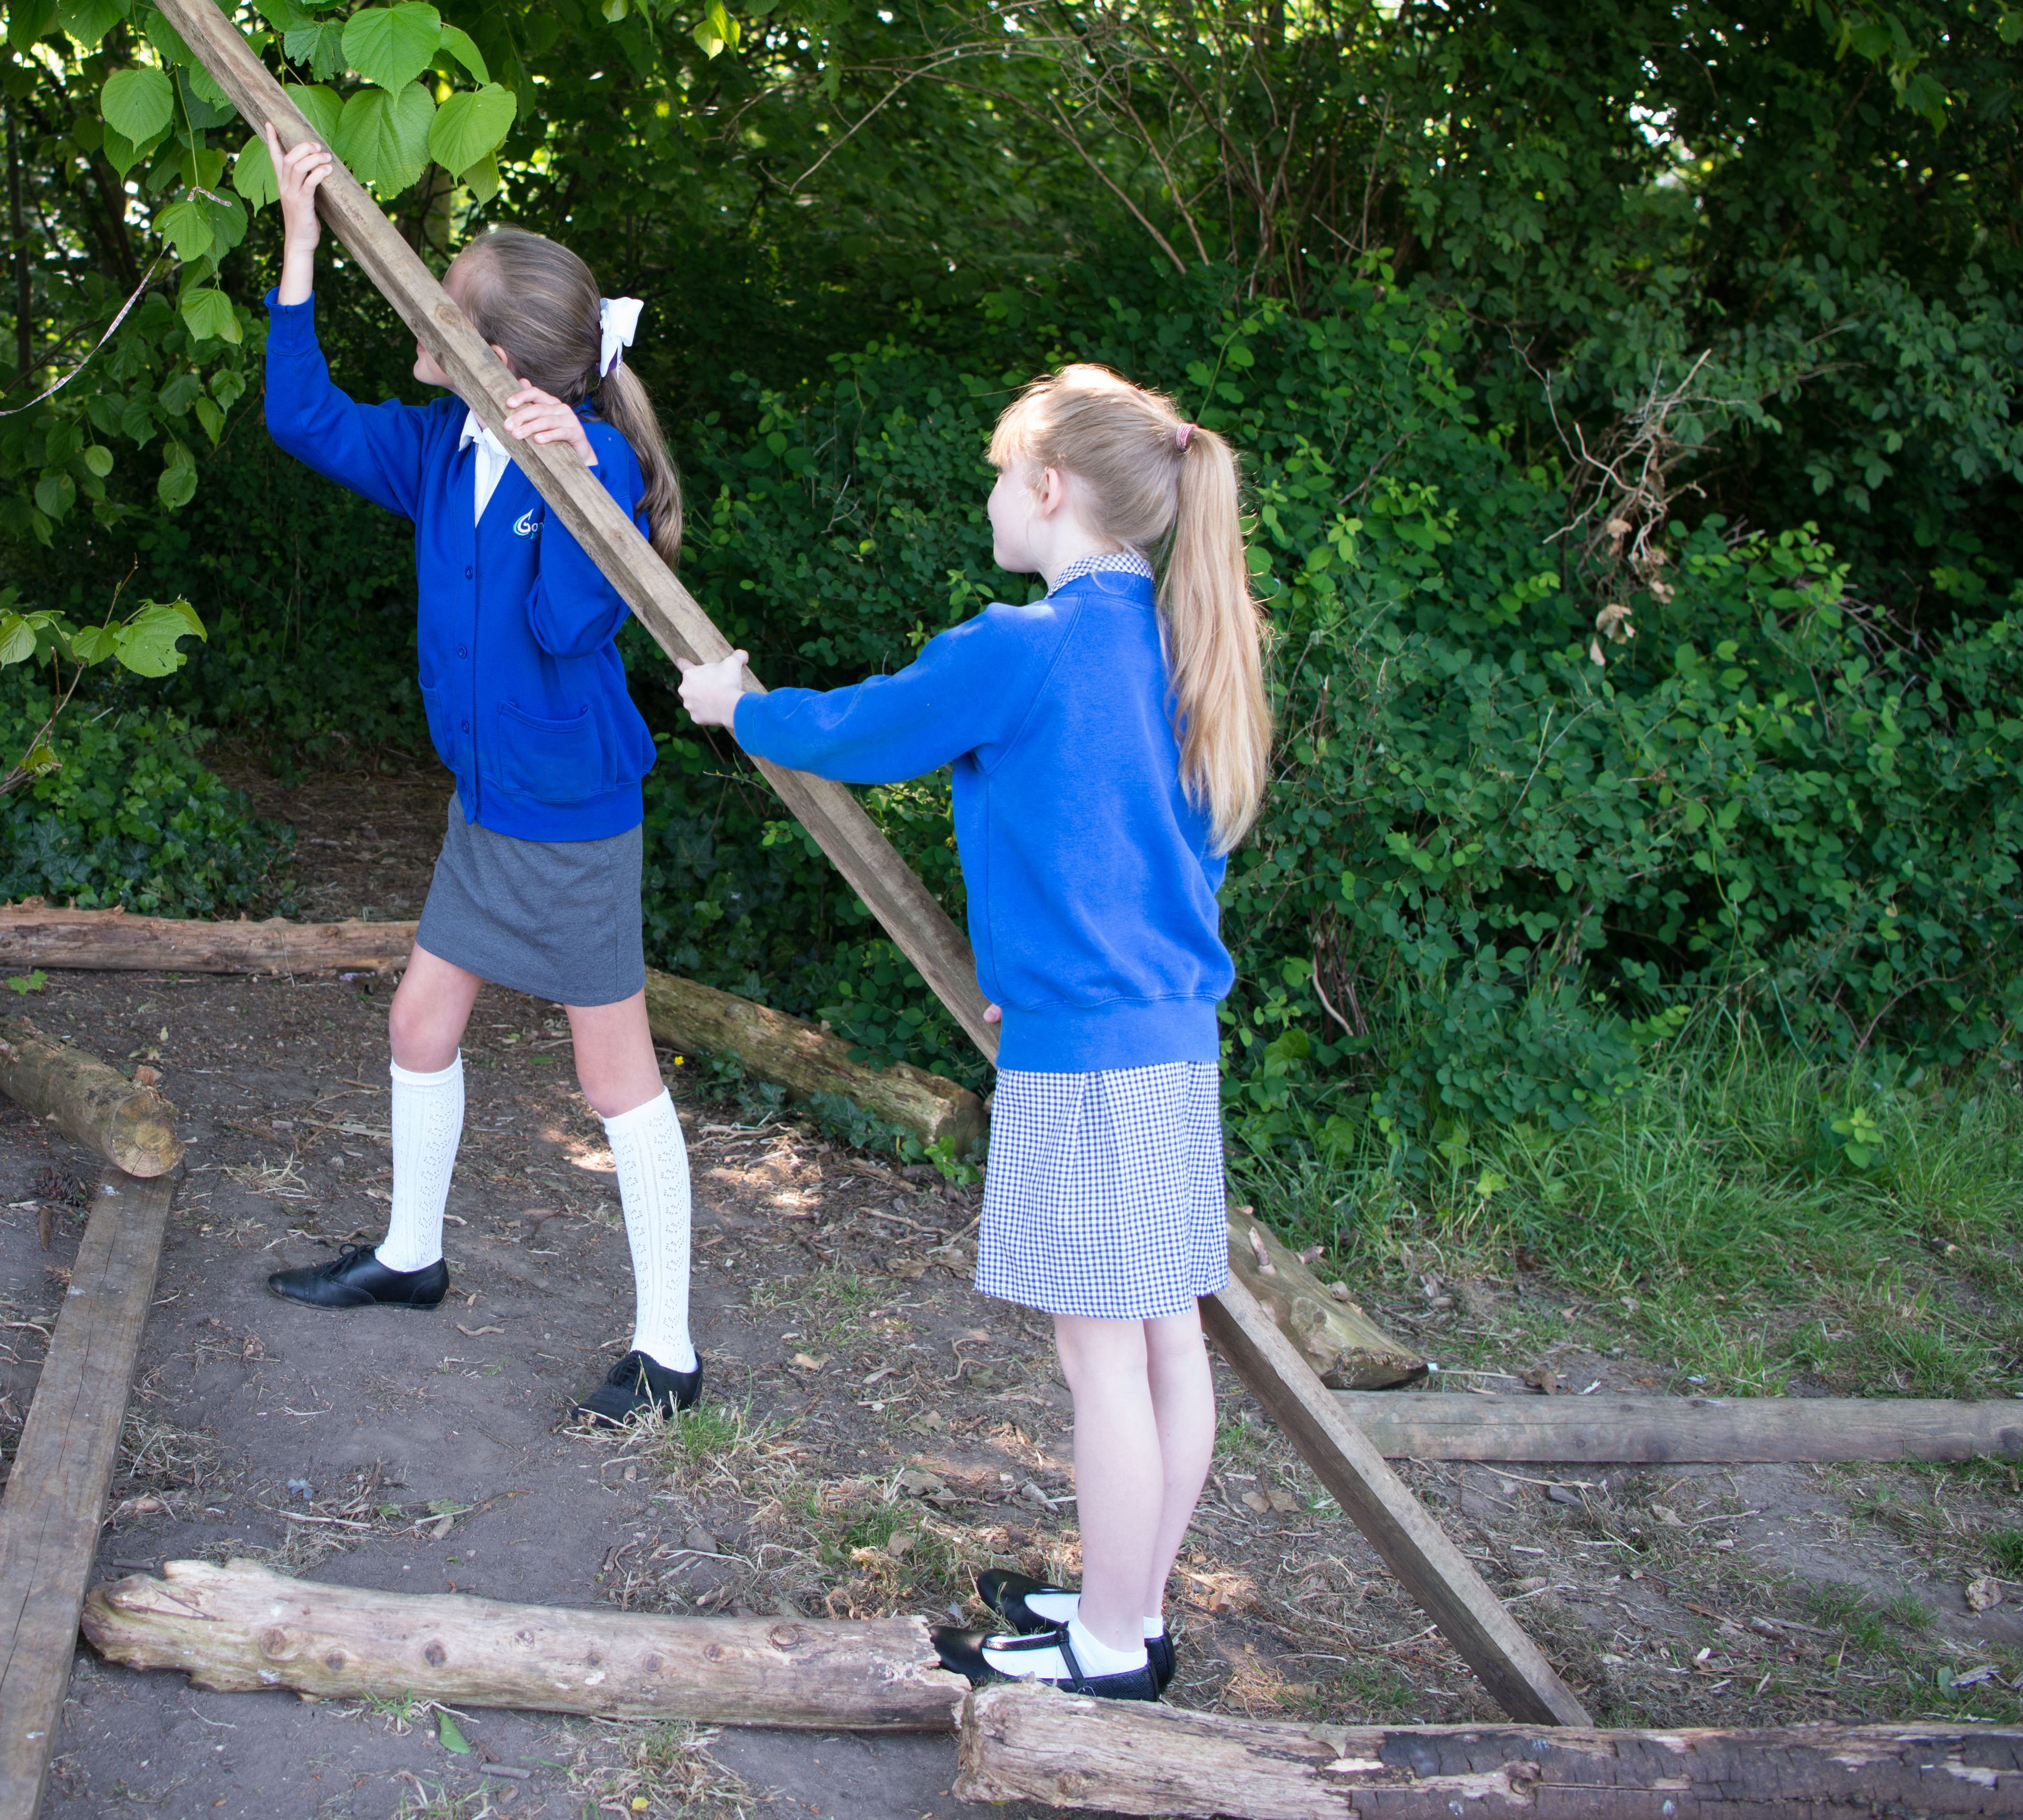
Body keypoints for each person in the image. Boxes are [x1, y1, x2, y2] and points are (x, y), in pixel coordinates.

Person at [675, 362, 1269, 1703]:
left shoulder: (1030, 641)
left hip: (1092, 1056)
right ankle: (1131, 1597)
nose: (992, 496)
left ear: (1049, 487)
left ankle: (1110, 1647)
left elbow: (877, 724)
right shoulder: (1174, 643)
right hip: (1170, 1039)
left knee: (1101, 1352)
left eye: (1003, 473)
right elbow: (1152, 857)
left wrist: (740, 708)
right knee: (1165, 1334)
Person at [255, 137, 702, 1428]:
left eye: (435, 300)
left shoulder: (587, 476)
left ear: (497, 359)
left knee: (613, 1078)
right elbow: (303, 417)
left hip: (567, 818)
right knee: (417, 1025)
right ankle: (410, 1256)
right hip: (486, 805)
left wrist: (585, 480)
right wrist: (298, 244)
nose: (415, 308)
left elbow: (571, 628)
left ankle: (666, 1349)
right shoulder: (442, 446)